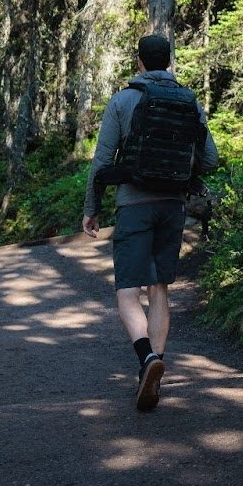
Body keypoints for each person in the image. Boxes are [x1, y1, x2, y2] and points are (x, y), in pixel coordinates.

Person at [82, 33, 218, 411]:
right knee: (160, 289)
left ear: (139, 62)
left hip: (134, 205)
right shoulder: (190, 102)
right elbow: (209, 159)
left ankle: (146, 359)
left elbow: (102, 161)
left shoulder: (123, 100)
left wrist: (91, 207)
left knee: (128, 291)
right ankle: (153, 369)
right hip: (173, 207)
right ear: (170, 62)